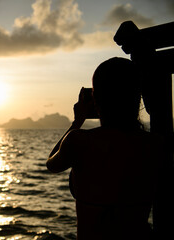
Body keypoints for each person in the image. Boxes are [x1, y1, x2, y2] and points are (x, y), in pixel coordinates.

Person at [47, 57, 166, 240]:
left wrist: (77, 121)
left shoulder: (79, 141)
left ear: (95, 99)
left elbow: (51, 164)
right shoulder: (156, 144)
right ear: (137, 98)